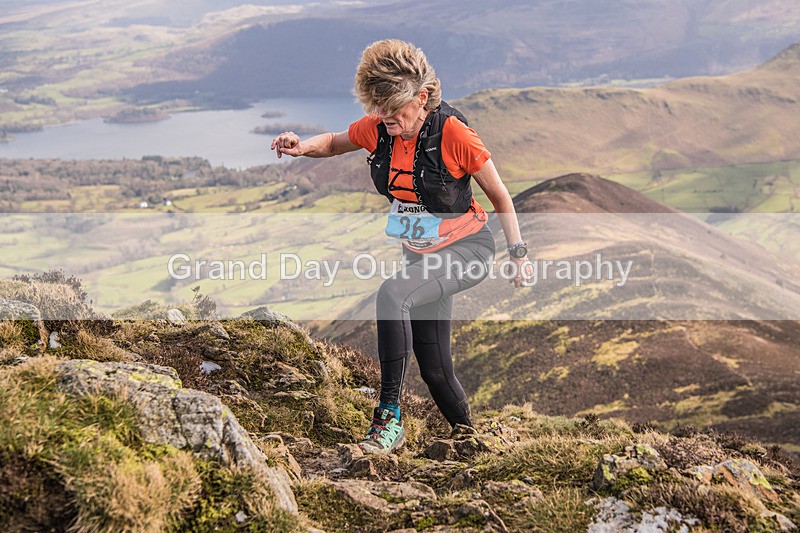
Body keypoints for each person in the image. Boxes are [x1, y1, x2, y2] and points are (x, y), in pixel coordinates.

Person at [270, 39, 532, 455]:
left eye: (394, 109)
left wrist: (518, 256)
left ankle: (388, 420)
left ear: (421, 97)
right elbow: (336, 142)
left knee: (392, 294)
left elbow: (500, 195)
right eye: (379, 109)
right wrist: (301, 146)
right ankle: (475, 445)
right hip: (422, 254)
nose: (384, 118)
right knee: (435, 370)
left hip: (468, 251)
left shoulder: (454, 132)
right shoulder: (379, 125)